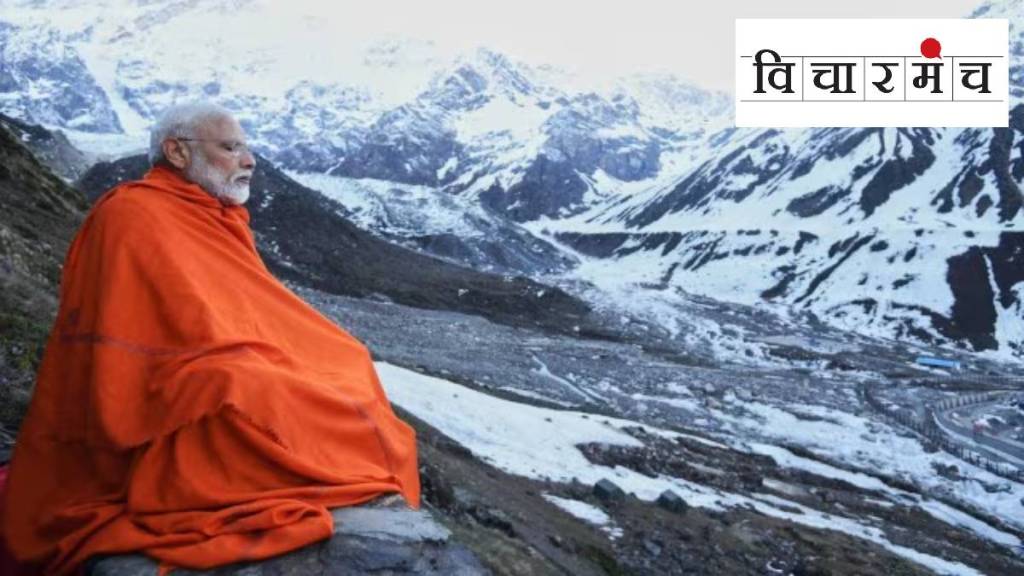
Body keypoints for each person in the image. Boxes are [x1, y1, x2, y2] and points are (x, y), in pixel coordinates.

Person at [0, 103, 420, 576]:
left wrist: (270, 345)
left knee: (347, 358)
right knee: (247, 386)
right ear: (177, 152)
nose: (249, 160)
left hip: (212, 349)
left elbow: (241, 303)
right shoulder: (131, 213)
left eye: (246, 147)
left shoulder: (215, 215)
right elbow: (141, 324)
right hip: (157, 377)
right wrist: (234, 351)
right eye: (230, 147)